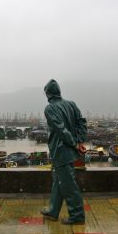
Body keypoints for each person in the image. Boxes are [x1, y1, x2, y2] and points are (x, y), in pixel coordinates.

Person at [41, 79, 87, 225]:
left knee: (68, 184)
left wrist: (74, 144)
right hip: (69, 151)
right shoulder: (71, 104)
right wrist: (79, 140)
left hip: (61, 151)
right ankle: (53, 210)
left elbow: (60, 129)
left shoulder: (49, 109)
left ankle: (77, 215)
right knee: (58, 180)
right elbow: (81, 122)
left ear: (48, 94)